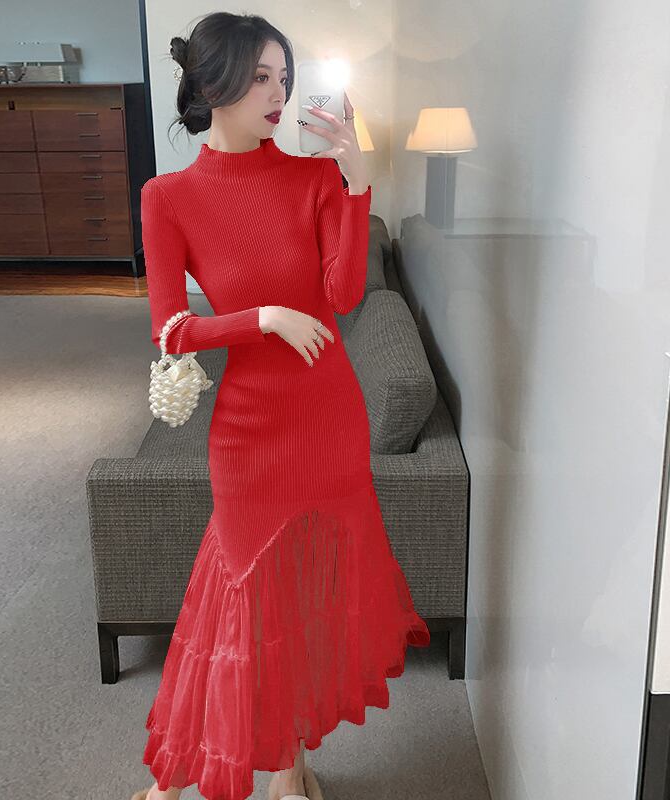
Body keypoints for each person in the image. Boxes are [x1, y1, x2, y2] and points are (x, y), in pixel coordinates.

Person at [131, 12, 430, 800]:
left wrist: (355, 182)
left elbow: (344, 293)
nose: (278, 93)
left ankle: (289, 768)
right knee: (238, 600)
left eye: (284, 78)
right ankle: (182, 773)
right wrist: (260, 318)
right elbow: (171, 328)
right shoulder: (168, 197)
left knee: (306, 597)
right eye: (260, 77)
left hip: (327, 420)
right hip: (249, 428)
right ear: (212, 85)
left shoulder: (313, 180)